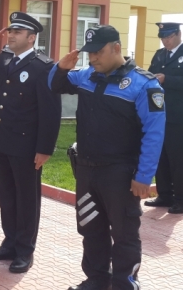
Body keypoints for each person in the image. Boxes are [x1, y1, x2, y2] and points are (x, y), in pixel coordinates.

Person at [49, 25, 165, 290]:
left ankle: (125, 283)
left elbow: (154, 134)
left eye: (98, 53)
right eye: (89, 53)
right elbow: (54, 86)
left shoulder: (144, 85)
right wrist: (62, 67)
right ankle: (96, 280)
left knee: (124, 234)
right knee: (91, 229)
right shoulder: (87, 76)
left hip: (121, 174)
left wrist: (144, 177)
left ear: (116, 48)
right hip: (87, 170)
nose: (92, 59)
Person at [0, 12, 62, 273]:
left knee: (26, 200)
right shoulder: (4, 59)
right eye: (10, 31)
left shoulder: (43, 67)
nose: (10, 35)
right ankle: (9, 243)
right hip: (0, 141)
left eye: (17, 32)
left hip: (26, 147)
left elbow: (51, 112)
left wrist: (44, 149)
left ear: (31, 38)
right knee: (6, 197)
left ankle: (24, 251)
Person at [144, 22, 183, 214]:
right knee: (161, 156)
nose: (165, 41)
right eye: (163, 38)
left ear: (178, 34)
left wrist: (167, 79)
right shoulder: (159, 54)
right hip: (159, 114)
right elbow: (151, 74)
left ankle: (180, 199)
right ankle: (164, 195)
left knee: (178, 159)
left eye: (169, 37)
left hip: (179, 116)